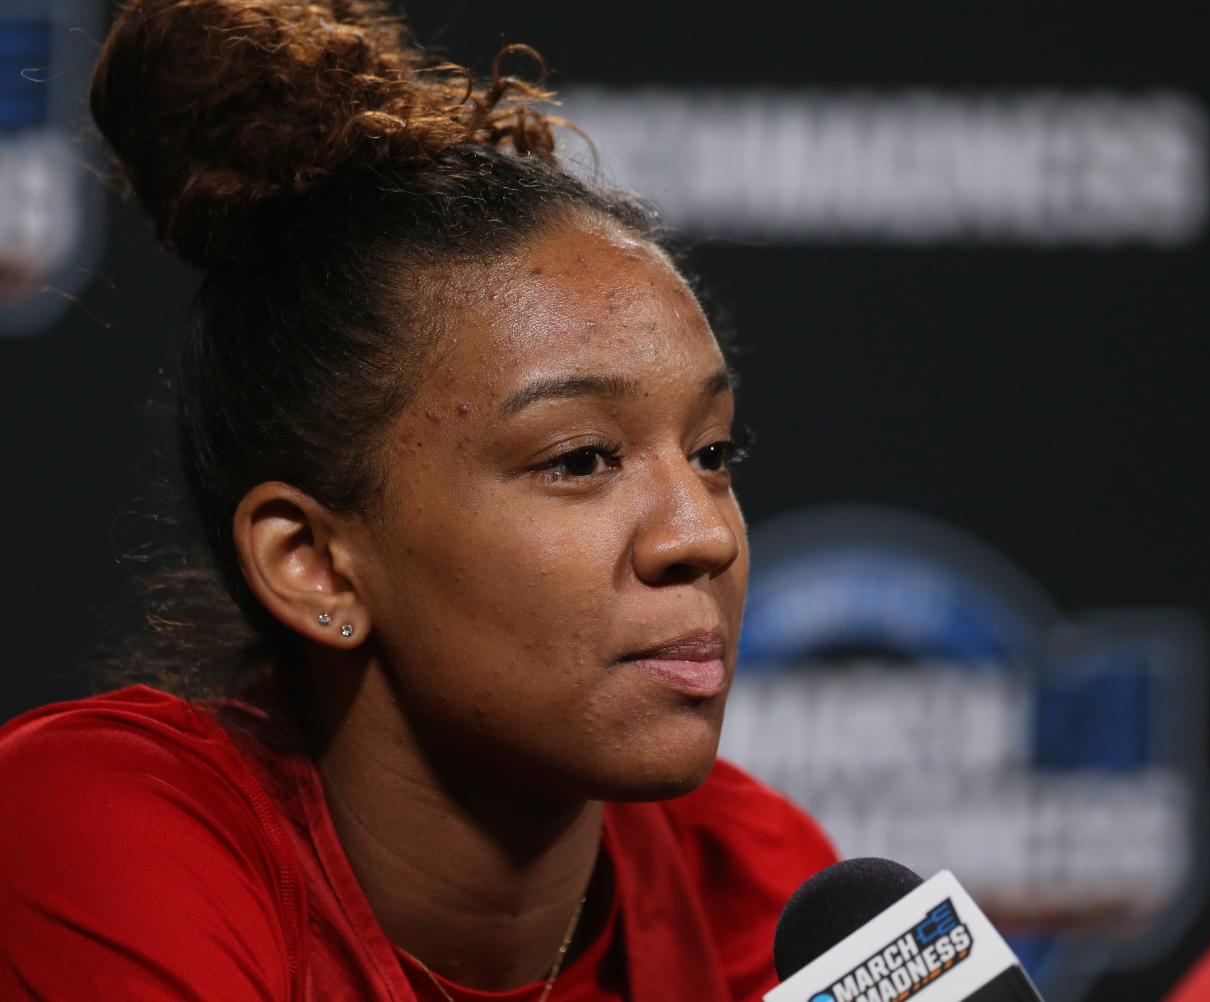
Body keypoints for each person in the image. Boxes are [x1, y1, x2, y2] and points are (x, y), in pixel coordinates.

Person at [0, 1, 835, 999]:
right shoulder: (95, 832)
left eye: (712, 451)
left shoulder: (755, 878)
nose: (702, 535)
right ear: (313, 562)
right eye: (579, 460)